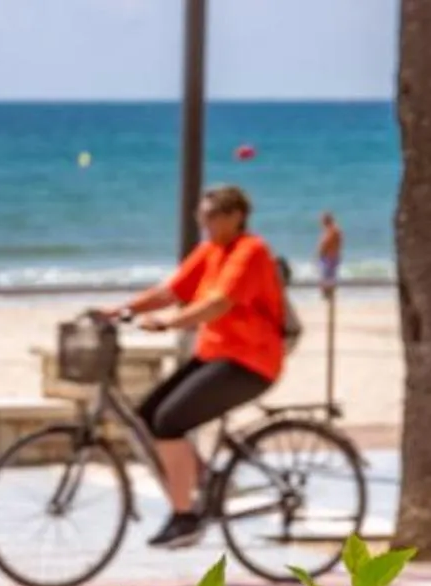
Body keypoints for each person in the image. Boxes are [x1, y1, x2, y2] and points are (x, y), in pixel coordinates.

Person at [96, 184, 287, 548]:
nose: (203, 223)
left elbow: (218, 303)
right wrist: (122, 310)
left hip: (251, 361)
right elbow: (171, 291)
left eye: (211, 216)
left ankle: (185, 517)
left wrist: (169, 323)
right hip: (215, 355)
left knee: (171, 421)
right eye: (200, 216)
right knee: (147, 415)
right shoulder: (210, 250)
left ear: (236, 216)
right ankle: (207, 481)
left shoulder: (250, 251)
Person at [316, 211, 343, 291]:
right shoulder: (331, 230)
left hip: (329, 258)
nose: (321, 222)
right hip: (330, 257)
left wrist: (320, 253)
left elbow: (326, 244)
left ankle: (329, 295)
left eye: (323, 220)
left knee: (327, 281)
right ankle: (329, 294)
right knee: (328, 280)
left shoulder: (332, 230)